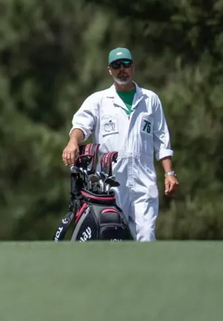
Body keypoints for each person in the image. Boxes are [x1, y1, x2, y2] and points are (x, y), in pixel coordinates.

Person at [62, 47, 179, 241]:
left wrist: (169, 173)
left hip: (144, 180)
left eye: (126, 64)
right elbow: (81, 125)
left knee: (146, 236)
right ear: (110, 70)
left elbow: (161, 139)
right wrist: (73, 142)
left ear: (133, 67)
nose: (122, 69)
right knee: (112, 236)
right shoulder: (99, 100)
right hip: (111, 184)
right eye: (116, 65)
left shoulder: (150, 100)